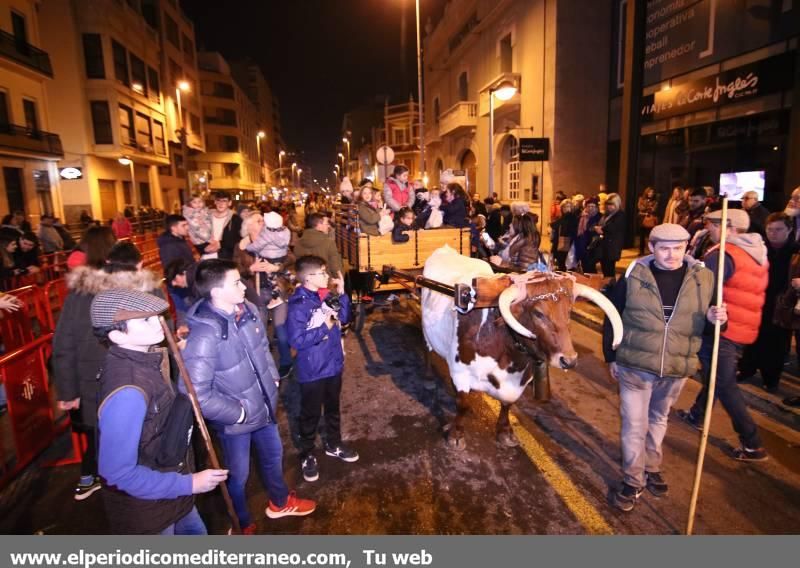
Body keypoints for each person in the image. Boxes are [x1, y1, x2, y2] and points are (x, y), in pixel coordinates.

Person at [182, 260, 316, 533]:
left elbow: (263, 348)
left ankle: (279, 502)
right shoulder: (205, 333)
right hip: (236, 420)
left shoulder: (249, 311)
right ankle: (240, 522)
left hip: (264, 405)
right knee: (238, 474)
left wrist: (272, 376)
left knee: (273, 456)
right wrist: (237, 413)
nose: (243, 286)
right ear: (216, 292)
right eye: (236, 283)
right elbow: (193, 391)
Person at [603, 223, 723, 512]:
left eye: (678, 248)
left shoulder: (704, 278)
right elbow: (612, 315)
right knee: (635, 424)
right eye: (665, 248)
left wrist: (716, 318)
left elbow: (710, 327)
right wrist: (610, 355)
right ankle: (633, 479)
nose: (672, 255)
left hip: (676, 366)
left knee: (658, 418)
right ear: (652, 248)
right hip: (635, 364)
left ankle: (652, 465)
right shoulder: (634, 275)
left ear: (687, 248)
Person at [91, 289, 227, 534]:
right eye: (145, 319)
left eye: (155, 316)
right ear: (117, 335)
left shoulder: (145, 359)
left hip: (172, 494)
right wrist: (190, 483)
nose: (158, 323)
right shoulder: (128, 391)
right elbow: (117, 472)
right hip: (149, 509)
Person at [53, 240, 162, 500]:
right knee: (141, 437)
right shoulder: (145, 290)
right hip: (138, 375)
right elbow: (161, 335)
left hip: (93, 380)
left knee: (102, 435)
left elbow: (63, 342)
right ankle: (140, 488)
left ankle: (96, 480)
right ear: (139, 264)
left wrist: (68, 391)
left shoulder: (80, 292)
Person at [677, 208, 769, 462]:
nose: (710, 229)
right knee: (717, 375)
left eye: (714, 225)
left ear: (729, 228)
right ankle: (698, 413)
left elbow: (704, 291)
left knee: (724, 383)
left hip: (721, 327)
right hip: (742, 326)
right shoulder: (755, 251)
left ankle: (752, 443)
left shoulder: (722, 254)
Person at [288, 255, 357, 482]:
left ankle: (334, 443)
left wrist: (343, 292)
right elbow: (297, 341)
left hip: (334, 365)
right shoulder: (298, 305)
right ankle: (307, 453)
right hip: (313, 370)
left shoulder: (327, 296)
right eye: (323, 273)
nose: (327, 276)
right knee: (309, 414)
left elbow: (346, 318)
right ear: (309, 277)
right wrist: (325, 327)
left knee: (333, 408)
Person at [738, 213, 797, 392]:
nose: (773, 233)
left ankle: (771, 378)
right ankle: (747, 369)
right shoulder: (760, 249)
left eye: (778, 229)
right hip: (758, 299)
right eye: (770, 229)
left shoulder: (795, 252)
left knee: (777, 342)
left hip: (782, 303)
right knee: (752, 337)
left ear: (789, 230)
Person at [234, 212, 294, 378]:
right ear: (249, 226)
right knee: (260, 334)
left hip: (277, 291)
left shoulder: (273, 237)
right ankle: (264, 366)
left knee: (281, 331)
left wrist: (277, 268)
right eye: (258, 221)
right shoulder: (241, 246)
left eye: (263, 220)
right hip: (255, 295)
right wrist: (249, 269)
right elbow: (235, 270)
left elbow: (291, 257)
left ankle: (286, 362)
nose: (263, 223)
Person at [294, 212, 343, 280]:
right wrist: (339, 281)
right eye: (327, 224)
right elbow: (335, 268)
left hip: (306, 284)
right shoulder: (329, 243)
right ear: (319, 225)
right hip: (326, 283)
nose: (328, 226)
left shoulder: (298, 243)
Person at [201, 191, 243, 260]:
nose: (221, 204)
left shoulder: (235, 219)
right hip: (207, 255)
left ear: (229, 203)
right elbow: (198, 235)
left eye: (224, 201)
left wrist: (220, 244)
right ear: (215, 202)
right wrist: (204, 247)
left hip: (227, 257)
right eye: (218, 200)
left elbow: (239, 239)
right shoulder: (206, 217)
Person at [592, 193, 625, 277]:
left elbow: (613, 228)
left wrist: (601, 229)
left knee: (609, 271)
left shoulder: (620, 215)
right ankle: (607, 286)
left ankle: (611, 288)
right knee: (605, 270)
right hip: (604, 246)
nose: (609, 206)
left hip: (612, 247)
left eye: (611, 204)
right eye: (607, 204)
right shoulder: (607, 215)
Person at [575, 197, 602, 273]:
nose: (590, 208)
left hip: (593, 247)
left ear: (597, 208)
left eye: (593, 206)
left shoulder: (600, 217)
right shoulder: (582, 217)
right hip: (582, 246)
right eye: (588, 206)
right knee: (585, 267)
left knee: (591, 268)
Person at [551, 199, 578, 271]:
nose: (567, 208)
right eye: (565, 207)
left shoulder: (573, 218)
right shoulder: (560, 218)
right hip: (560, 244)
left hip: (569, 244)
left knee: (569, 265)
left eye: (569, 206)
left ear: (572, 208)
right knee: (561, 264)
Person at [636, 187, 659, 255]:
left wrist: (646, 209)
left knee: (650, 236)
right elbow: (640, 207)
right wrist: (647, 208)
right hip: (642, 219)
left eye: (652, 192)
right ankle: (641, 251)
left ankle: (650, 250)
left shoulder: (655, 201)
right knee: (642, 236)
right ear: (646, 192)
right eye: (649, 192)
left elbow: (653, 209)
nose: (651, 194)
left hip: (650, 220)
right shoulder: (641, 199)